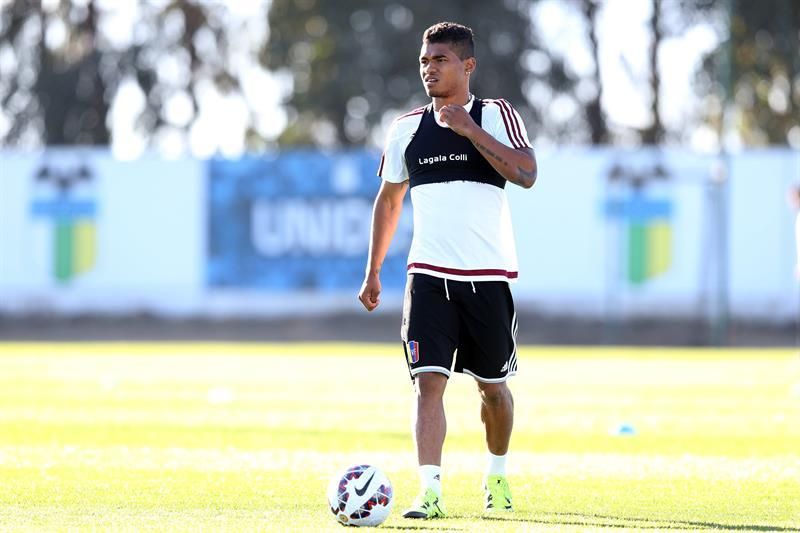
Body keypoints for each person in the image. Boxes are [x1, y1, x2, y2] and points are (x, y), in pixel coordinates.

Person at [357, 21, 537, 519]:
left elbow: (526, 175)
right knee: (427, 382)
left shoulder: (496, 114)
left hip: (489, 278)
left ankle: (496, 476)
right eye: (424, 61)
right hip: (428, 278)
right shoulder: (406, 128)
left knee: (493, 391)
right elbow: (389, 200)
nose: (428, 69)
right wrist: (373, 270)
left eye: (439, 60)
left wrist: (470, 131)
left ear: (467, 66)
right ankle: (430, 492)